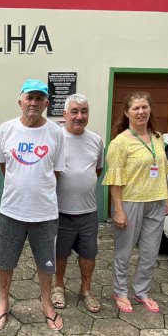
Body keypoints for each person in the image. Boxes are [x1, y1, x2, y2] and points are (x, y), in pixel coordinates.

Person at [0, 79, 65, 331]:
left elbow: (55, 172)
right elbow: (5, 166)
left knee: (46, 261)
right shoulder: (6, 129)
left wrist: (36, 188)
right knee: (6, 260)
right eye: (29, 97)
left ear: (46, 103)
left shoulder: (56, 132)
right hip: (12, 210)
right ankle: (3, 302)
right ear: (20, 101)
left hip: (44, 212)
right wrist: (20, 185)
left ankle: (46, 303)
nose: (33, 102)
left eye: (39, 98)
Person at [103, 92, 168, 314]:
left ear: (150, 109)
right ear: (127, 113)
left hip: (156, 200)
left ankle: (142, 291)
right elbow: (114, 180)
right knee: (124, 251)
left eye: (144, 107)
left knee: (150, 252)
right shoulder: (120, 142)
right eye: (136, 108)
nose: (141, 112)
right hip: (130, 201)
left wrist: (167, 198)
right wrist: (118, 210)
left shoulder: (158, 137)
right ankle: (120, 292)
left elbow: (163, 171)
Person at [52, 93, 105, 313]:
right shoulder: (55, 138)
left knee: (89, 253)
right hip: (61, 211)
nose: (79, 116)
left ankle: (86, 290)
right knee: (60, 253)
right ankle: (58, 286)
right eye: (74, 111)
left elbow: (98, 169)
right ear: (64, 114)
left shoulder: (96, 140)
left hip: (88, 211)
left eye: (84, 111)